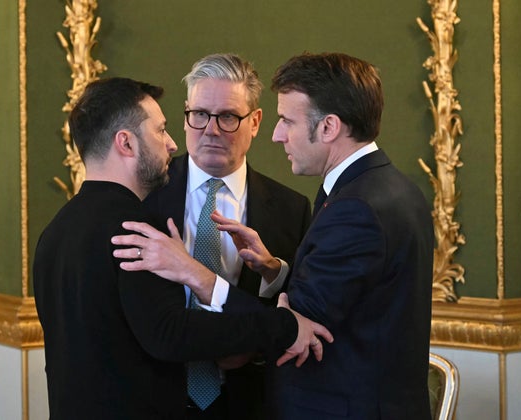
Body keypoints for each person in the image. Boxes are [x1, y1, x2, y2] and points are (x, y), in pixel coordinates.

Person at [115, 52, 434, 419]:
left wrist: (195, 274)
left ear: (328, 127)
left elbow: (295, 327)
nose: (278, 135)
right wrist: (277, 274)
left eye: (286, 121)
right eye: (199, 115)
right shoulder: (138, 196)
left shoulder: (336, 206)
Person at [33, 77, 331, 420]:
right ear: (126, 143)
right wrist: (284, 326)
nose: (172, 143)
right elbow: (171, 333)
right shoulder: (138, 229)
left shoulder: (55, 230)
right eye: (160, 131)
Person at [140, 53, 312, 419]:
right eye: (199, 114)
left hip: (250, 403)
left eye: (229, 117)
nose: (212, 129)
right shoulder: (143, 197)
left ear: (256, 122)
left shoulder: (290, 208)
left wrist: (273, 272)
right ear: (185, 115)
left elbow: (296, 312)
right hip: (156, 396)